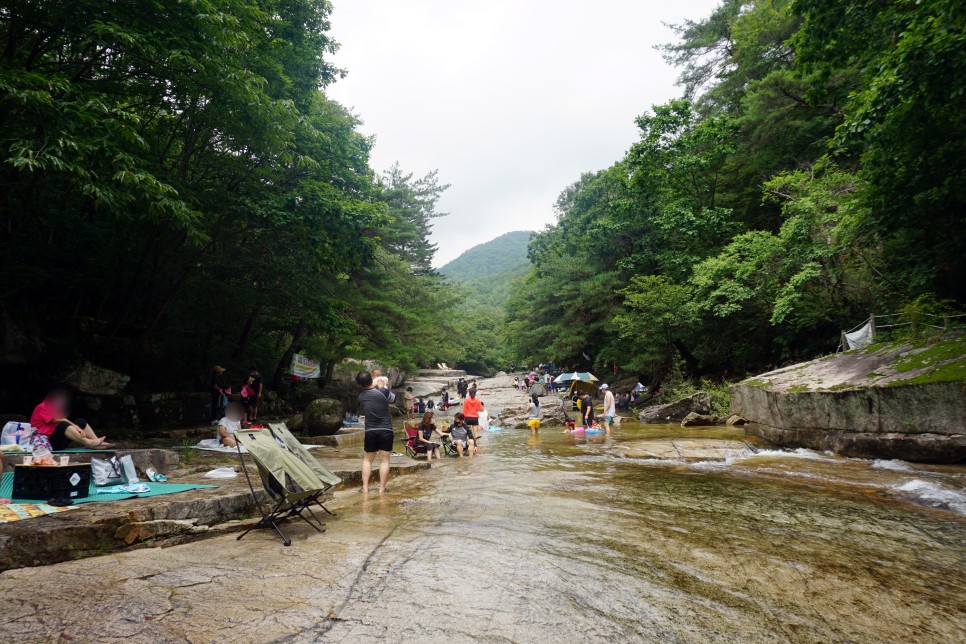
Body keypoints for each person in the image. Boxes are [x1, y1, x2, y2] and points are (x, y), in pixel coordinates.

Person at [30, 387, 111, 451]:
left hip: (58, 442)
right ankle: (88, 443)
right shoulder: (42, 407)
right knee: (63, 425)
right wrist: (76, 427)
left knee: (80, 421)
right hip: (46, 444)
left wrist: (77, 426)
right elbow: (59, 420)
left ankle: (98, 442)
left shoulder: (55, 409)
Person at [357, 370, 396, 494]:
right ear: (371, 379)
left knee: (367, 460)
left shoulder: (361, 397)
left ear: (360, 384)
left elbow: (368, 391)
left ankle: (365, 488)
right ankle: (381, 489)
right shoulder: (383, 392)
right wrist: (382, 386)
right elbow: (393, 399)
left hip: (370, 430)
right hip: (385, 429)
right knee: (384, 460)